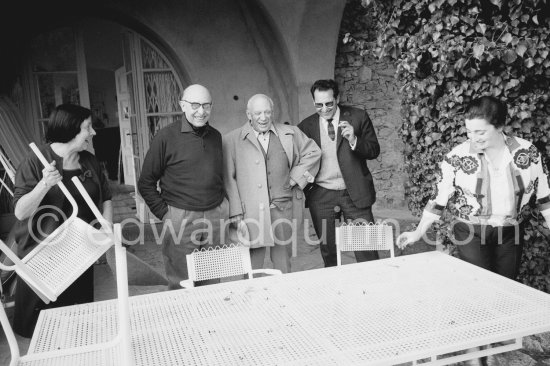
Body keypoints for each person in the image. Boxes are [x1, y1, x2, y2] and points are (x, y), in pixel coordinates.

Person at [397, 96, 550, 279]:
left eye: (480, 132)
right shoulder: (457, 157)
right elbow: (439, 197)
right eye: (469, 131)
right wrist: (418, 232)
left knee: (507, 286)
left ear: (500, 126)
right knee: (480, 285)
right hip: (470, 231)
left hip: (510, 232)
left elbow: (545, 198)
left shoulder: (528, 153)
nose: (473, 138)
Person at [12, 104, 113, 337]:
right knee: (45, 330)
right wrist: (44, 184)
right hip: (44, 257)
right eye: (88, 127)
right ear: (70, 130)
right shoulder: (35, 162)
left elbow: (106, 197)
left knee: (78, 326)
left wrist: (105, 228)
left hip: (79, 254)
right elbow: (20, 212)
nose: (93, 133)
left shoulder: (89, 161)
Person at [138, 84, 228, 289]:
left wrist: (224, 206)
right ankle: (184, 320)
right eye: (195, 105)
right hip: (180, 216)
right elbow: (146, 182)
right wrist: (166, 215)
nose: (201, 111)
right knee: (181, 281)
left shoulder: (216, 136)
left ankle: (209, 319)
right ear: (182, 105)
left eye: (206, 105)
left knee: (213, 281)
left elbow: (218, 175)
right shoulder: (165, 136)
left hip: (215, 215)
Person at [223, 94, 321, 273]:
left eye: (267, 112)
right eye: (258, 113)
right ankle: (250, 298)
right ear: (248, 114)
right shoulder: (231, 140)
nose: (264, 117)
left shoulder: (290, 133)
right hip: (250, 212)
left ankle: (282, 296)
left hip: (282, 208)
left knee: (284, 261)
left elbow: (313, 152)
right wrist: (235, 211)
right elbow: (228, 178)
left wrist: (296, 176)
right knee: (252, 264)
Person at [298, 79, 381, 267]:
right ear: (313, 102)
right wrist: (305, 180)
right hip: (321, 194)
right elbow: (299, 161)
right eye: (319, 105)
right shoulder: (305, 126)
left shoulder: (358, 117)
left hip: (355, 192)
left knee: (367, 246)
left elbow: (374, 150)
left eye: (329, 103)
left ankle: (373, 286)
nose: (324, 108)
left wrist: (354, 140)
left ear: (338, 98)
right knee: (328, 250)